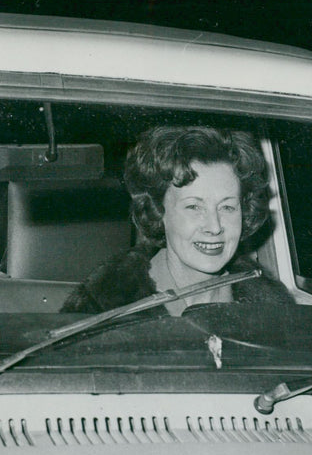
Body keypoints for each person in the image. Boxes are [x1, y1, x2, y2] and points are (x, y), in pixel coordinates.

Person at [61, 126, 294, 314]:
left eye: (227, 207)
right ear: (158, 210)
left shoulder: (273, 308)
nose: (214, 227)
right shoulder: (102, 305)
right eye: (194, 206)